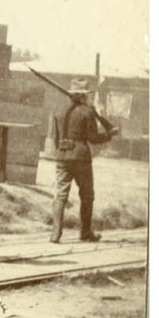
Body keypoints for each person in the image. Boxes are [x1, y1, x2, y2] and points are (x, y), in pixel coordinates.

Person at [50, 78, 119, 243]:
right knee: (87, 195)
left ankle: (55, 234)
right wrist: (109, 135)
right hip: (81, 158)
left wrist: (61, 151)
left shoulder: (58, 110)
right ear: (82, 95)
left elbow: (55, 138)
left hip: (62, 156)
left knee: (60, 195)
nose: (88, 97)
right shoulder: (87, 112)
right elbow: (93, 138)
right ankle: (85, 232)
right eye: (86, 95)